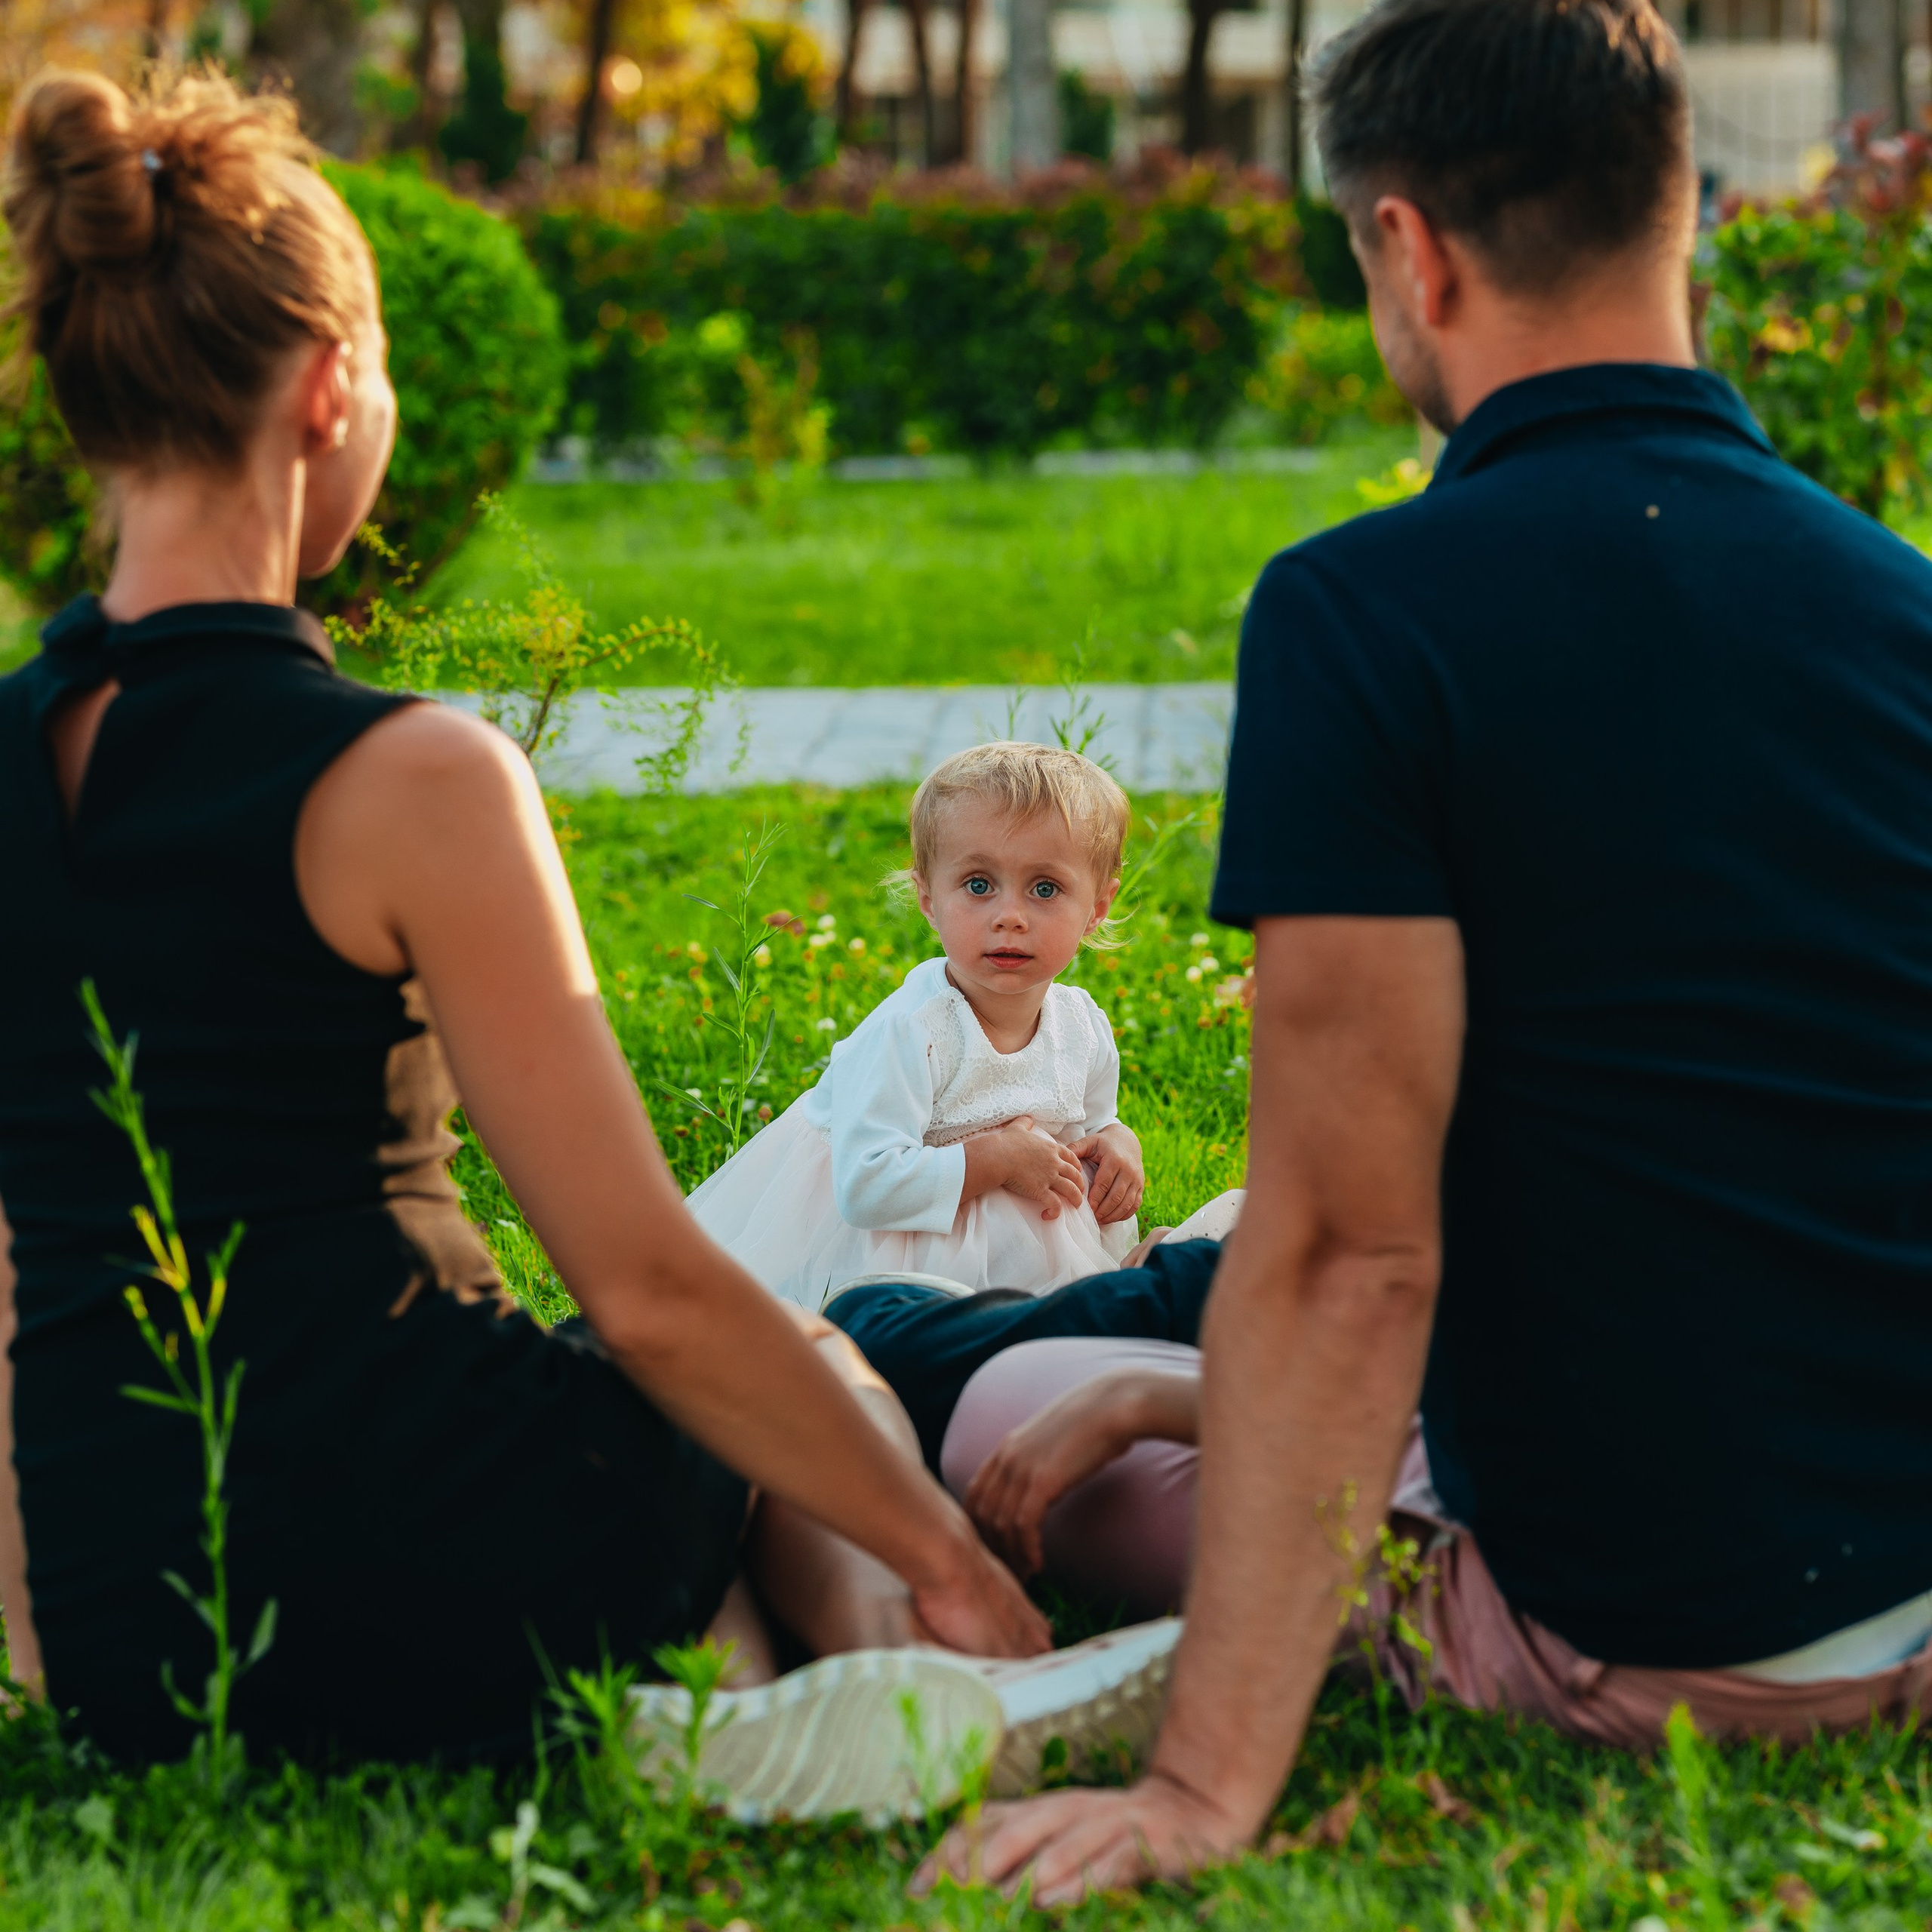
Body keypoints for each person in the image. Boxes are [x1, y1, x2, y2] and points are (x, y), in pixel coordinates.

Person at [0, 68, 1164, 1814]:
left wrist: (52, 1642)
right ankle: (913, 1676)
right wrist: (947, 1546)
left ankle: (720, 1708)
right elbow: (647, 1282)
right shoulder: (413, 775)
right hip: (430, 1520)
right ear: (331, 390)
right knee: (807, 1348)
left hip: (142, 1604)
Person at [915, 0, 1932, 1897]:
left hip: (1645, 1637)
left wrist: (1202, 1788)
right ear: (1681, 212)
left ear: (1408, 247)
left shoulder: (1366, 617)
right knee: (1158, 1351)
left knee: (992, 1400)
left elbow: (1349, 1250)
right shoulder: (1899, 603)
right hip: (1902, 1585)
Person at [686, 743, 1152, 1308]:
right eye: (979, 885)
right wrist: (997, 1158)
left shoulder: (1082, 1026)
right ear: (929, 899)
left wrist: (1119, 1143)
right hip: (897, 1249)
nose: (1010, 915)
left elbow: (1096, 1123)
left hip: (1018, 1225)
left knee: (1067, 1317)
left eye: (1045, 888)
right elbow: (866, 1188)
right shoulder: (913, 1032)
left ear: (1098, 908)